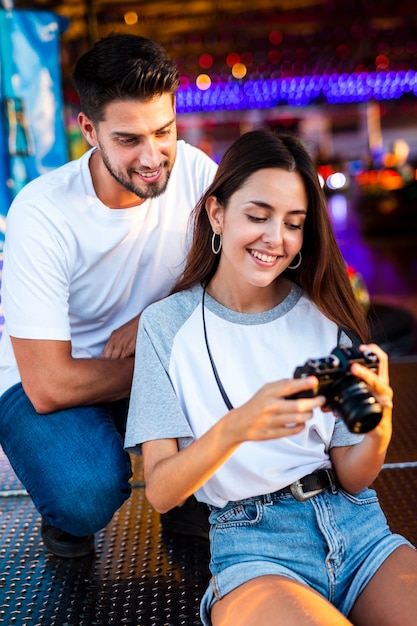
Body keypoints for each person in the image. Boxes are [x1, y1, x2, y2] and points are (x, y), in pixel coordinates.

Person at [124, 129, 417, 626]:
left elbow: (353, 474)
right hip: (254, 548)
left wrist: (379, 426)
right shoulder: (167, 326)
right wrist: (241, 425)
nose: (275, 239)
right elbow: (162, 490)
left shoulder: (324, 315)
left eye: (294, 223)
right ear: (217, 213)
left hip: (359, 529)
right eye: (257, 217)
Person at [0, 33, 217, 558]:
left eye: (163, 131)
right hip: (52, 383)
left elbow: (236, 287)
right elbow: (49, 385)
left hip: (151, 363)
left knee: (236, 452)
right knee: (83, 492)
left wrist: (156, 319)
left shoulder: (197, 173)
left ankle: (192, 502)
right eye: (128, 140)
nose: (152, 157)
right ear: (89, 130)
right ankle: (66, 519)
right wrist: (163, 362)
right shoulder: (42, 211)